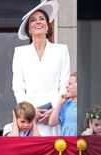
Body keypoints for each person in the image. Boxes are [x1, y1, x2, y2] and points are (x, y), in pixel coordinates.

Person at [12, 0, 70, 136]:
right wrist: (28, 110)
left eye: (42, 19)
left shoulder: (61, 50)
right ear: (29, 29)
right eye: (33, 20)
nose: (38, 22)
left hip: (53, 114)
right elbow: (18, 85)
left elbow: (65, 83)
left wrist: (55, 109)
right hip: (30, 114)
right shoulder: (20, 52)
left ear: (47, 26)